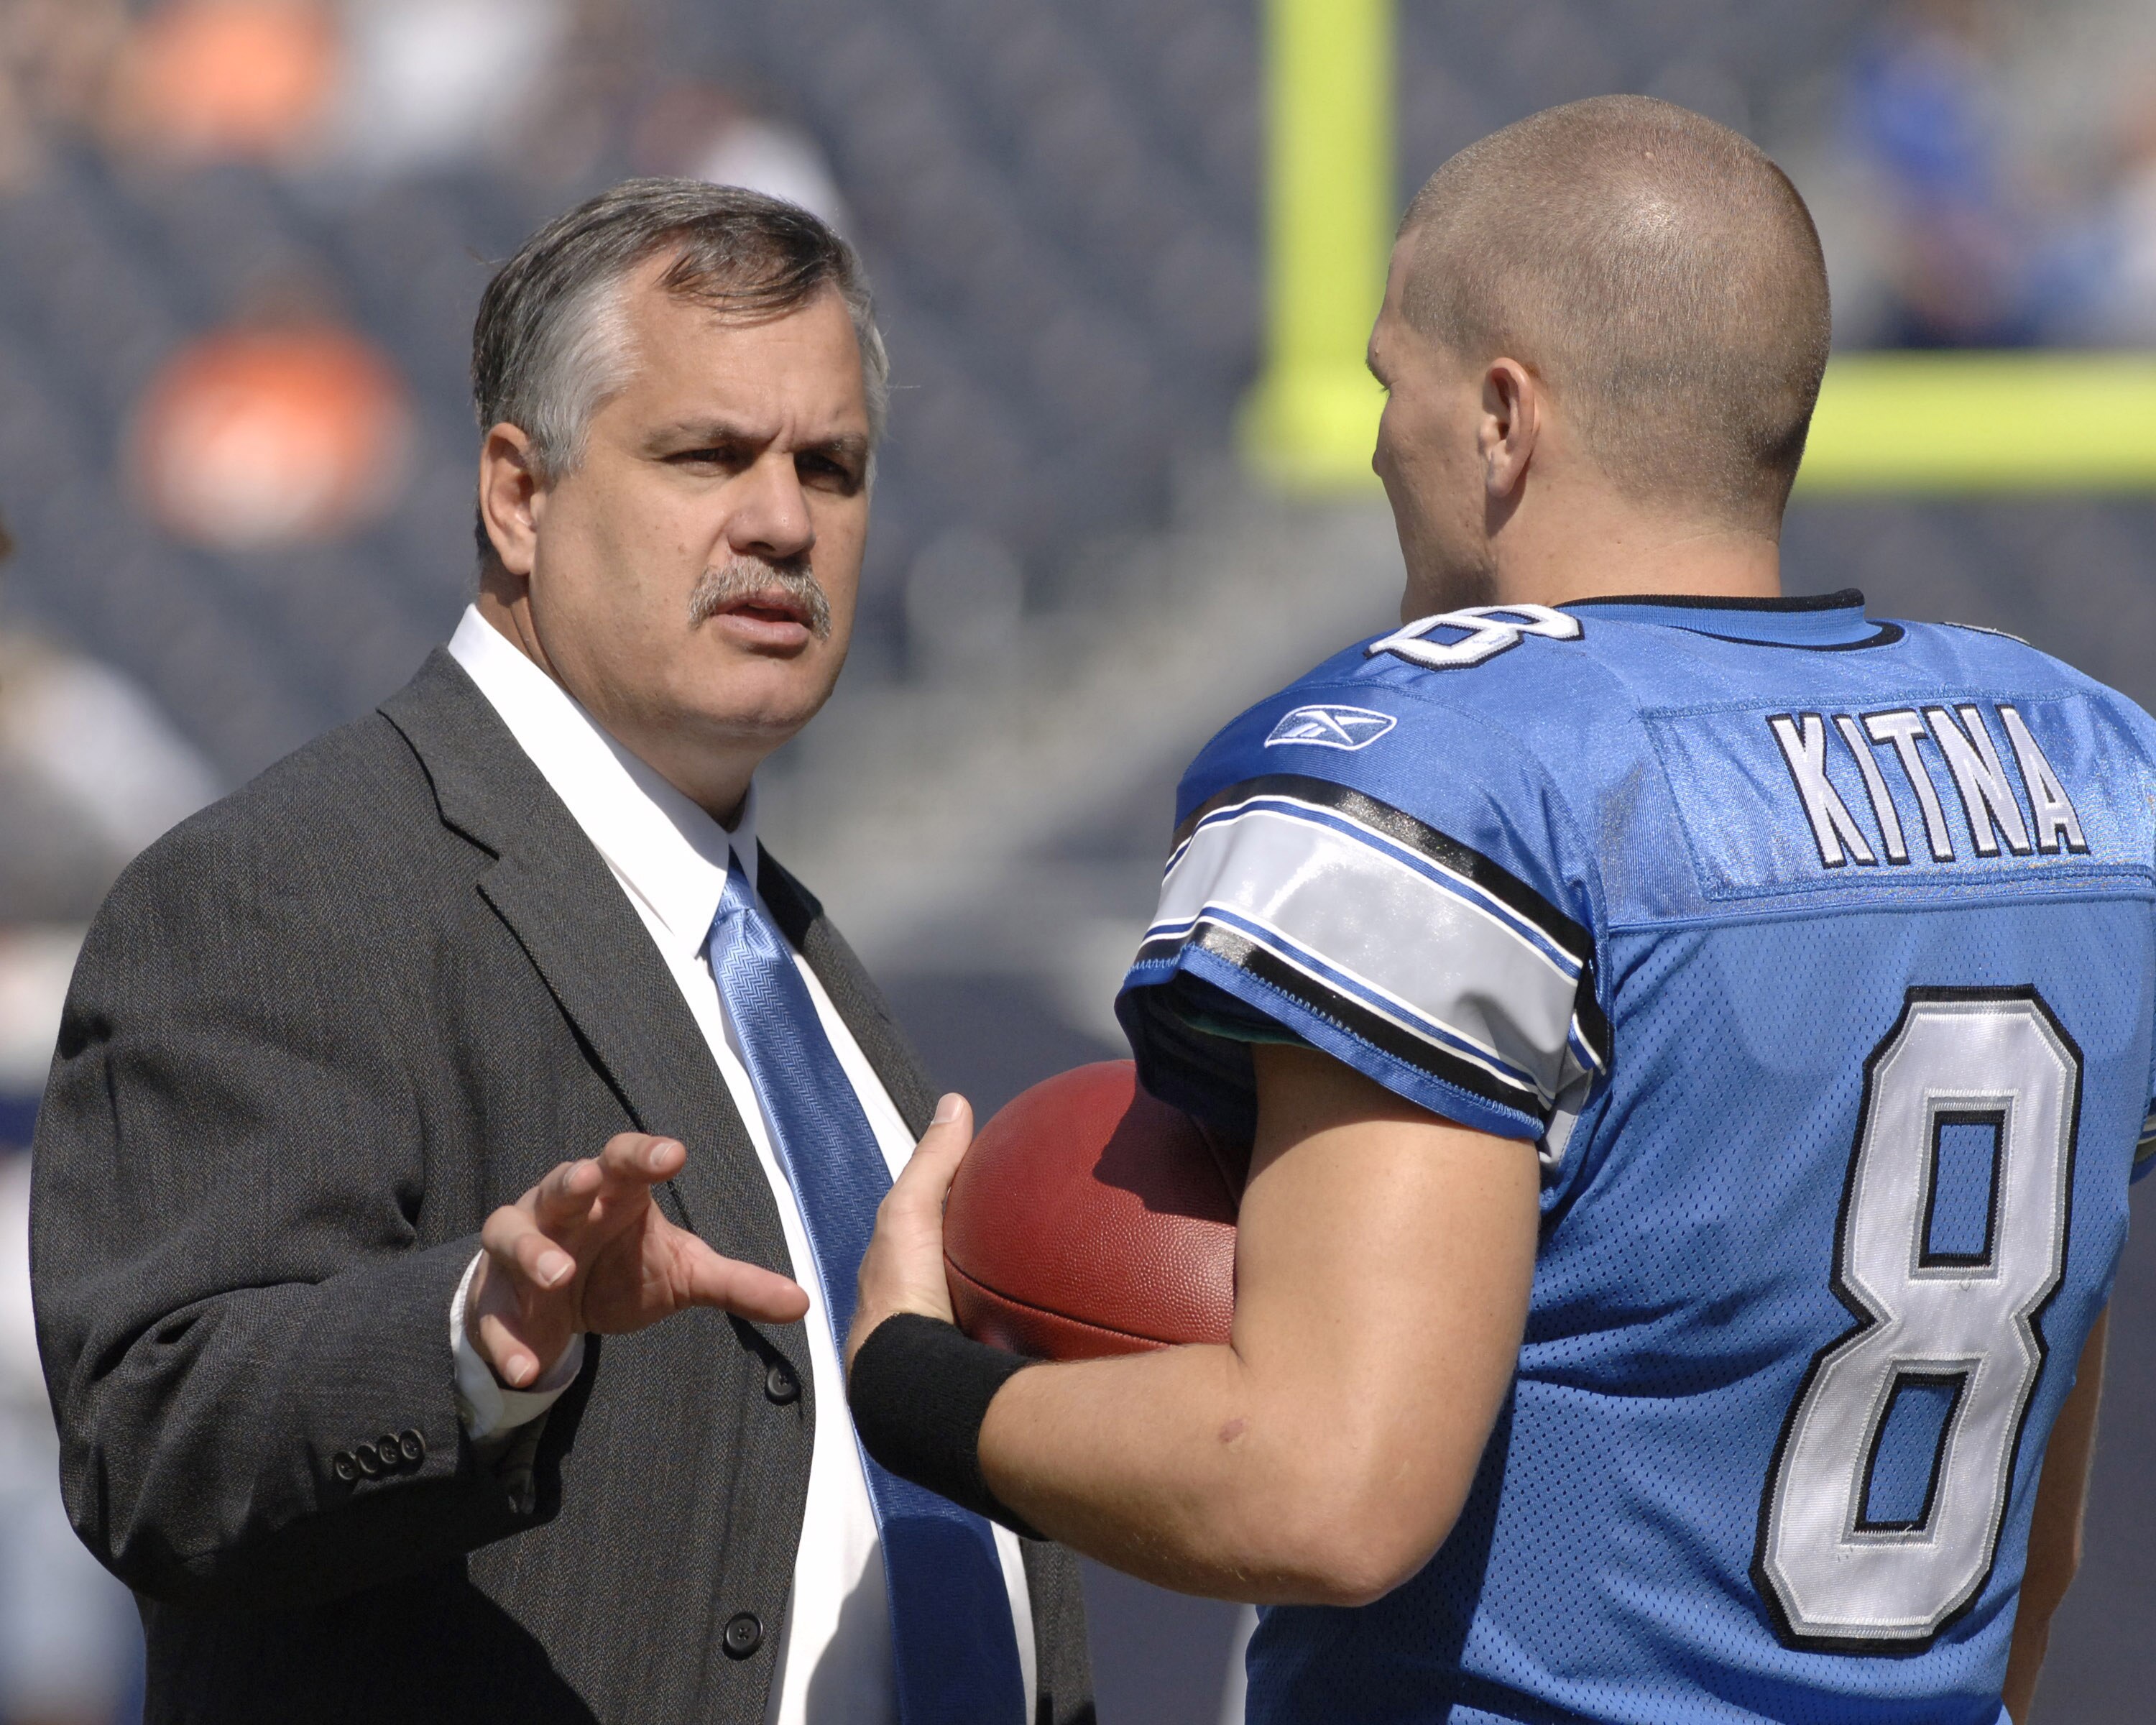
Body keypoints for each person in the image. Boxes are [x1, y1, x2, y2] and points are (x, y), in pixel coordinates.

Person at [844, 97, 2142, 1724]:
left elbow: (1327, 1489)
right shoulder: (2093, 771)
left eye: (1398, 384)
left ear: (1505, 416)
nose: (1383, 435)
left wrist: (920, 1388)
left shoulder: (1459, 768)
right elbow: (2044, 1556)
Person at [31, 180, 1090, 1725]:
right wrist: (477, 1334)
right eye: (707, 455)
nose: (784, 521)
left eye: (832, 466)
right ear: (519, 494)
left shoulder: (787, 955)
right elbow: (159, 1438)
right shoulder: (292, 882)